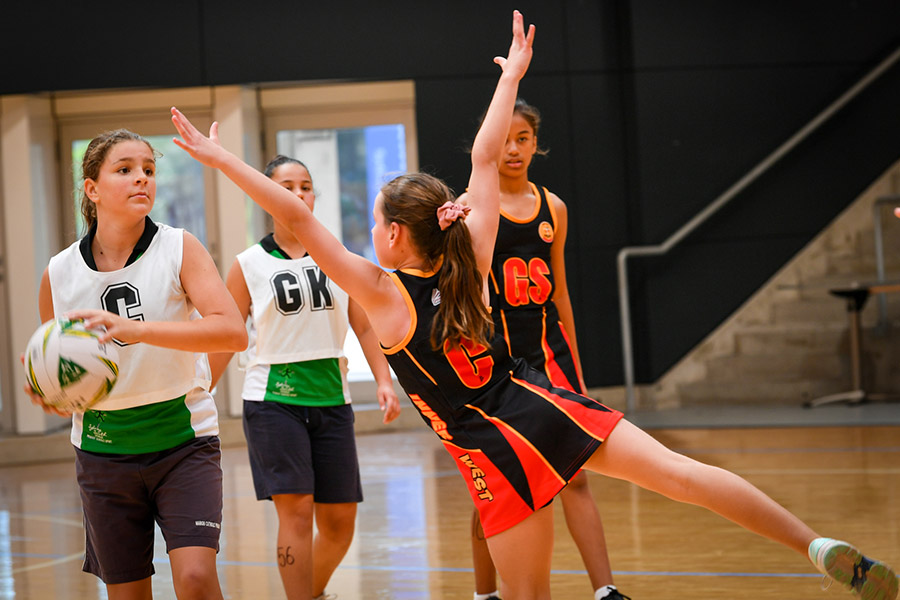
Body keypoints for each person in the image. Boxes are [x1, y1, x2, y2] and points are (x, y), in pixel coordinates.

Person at [170, 11, 898, 600]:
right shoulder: (471, 255)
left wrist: (221, 159)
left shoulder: (384, 292)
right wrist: (512, 76)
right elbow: (485, 158)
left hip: (491, 450)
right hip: (541, 401)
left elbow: (294, 221)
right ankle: (812, 543)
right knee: (681, 476)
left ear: (393, 234)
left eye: (373, 225)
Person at [27, 129, 248, 599]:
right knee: (127, 594)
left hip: (182, 441)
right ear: (92, 189)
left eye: (148, 169)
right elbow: (60, 363)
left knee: (195, 577)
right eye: (124, 170)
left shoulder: (179, 247)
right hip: (104, 452)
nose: (141, 178)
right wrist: (53, 392)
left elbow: (232, 330)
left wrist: (139, 330)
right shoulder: (59, 272)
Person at [206, 154, 401, 600]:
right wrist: (201, 392)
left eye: (305, 186)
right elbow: (226, 336)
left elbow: (365, 325)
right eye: (286, 186)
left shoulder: (338, 257)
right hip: (273, 401)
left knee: (339, 523)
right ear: (266, 196)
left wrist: (384, 381)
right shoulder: (248, 264)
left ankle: (310, 593)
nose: (298, 195)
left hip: (333, 398)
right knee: (295, 515)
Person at [459, 99, 626, 600]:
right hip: (498, 365)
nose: (513, 148)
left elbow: (560, 291)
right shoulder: (473, 205)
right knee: (498, 486)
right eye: (504, 138)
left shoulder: (554, 208)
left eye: (524, 137)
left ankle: (606, 590)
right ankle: (484, 593)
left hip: (551, 357)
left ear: (536, 142)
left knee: (576, 475)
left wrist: (574, 362)